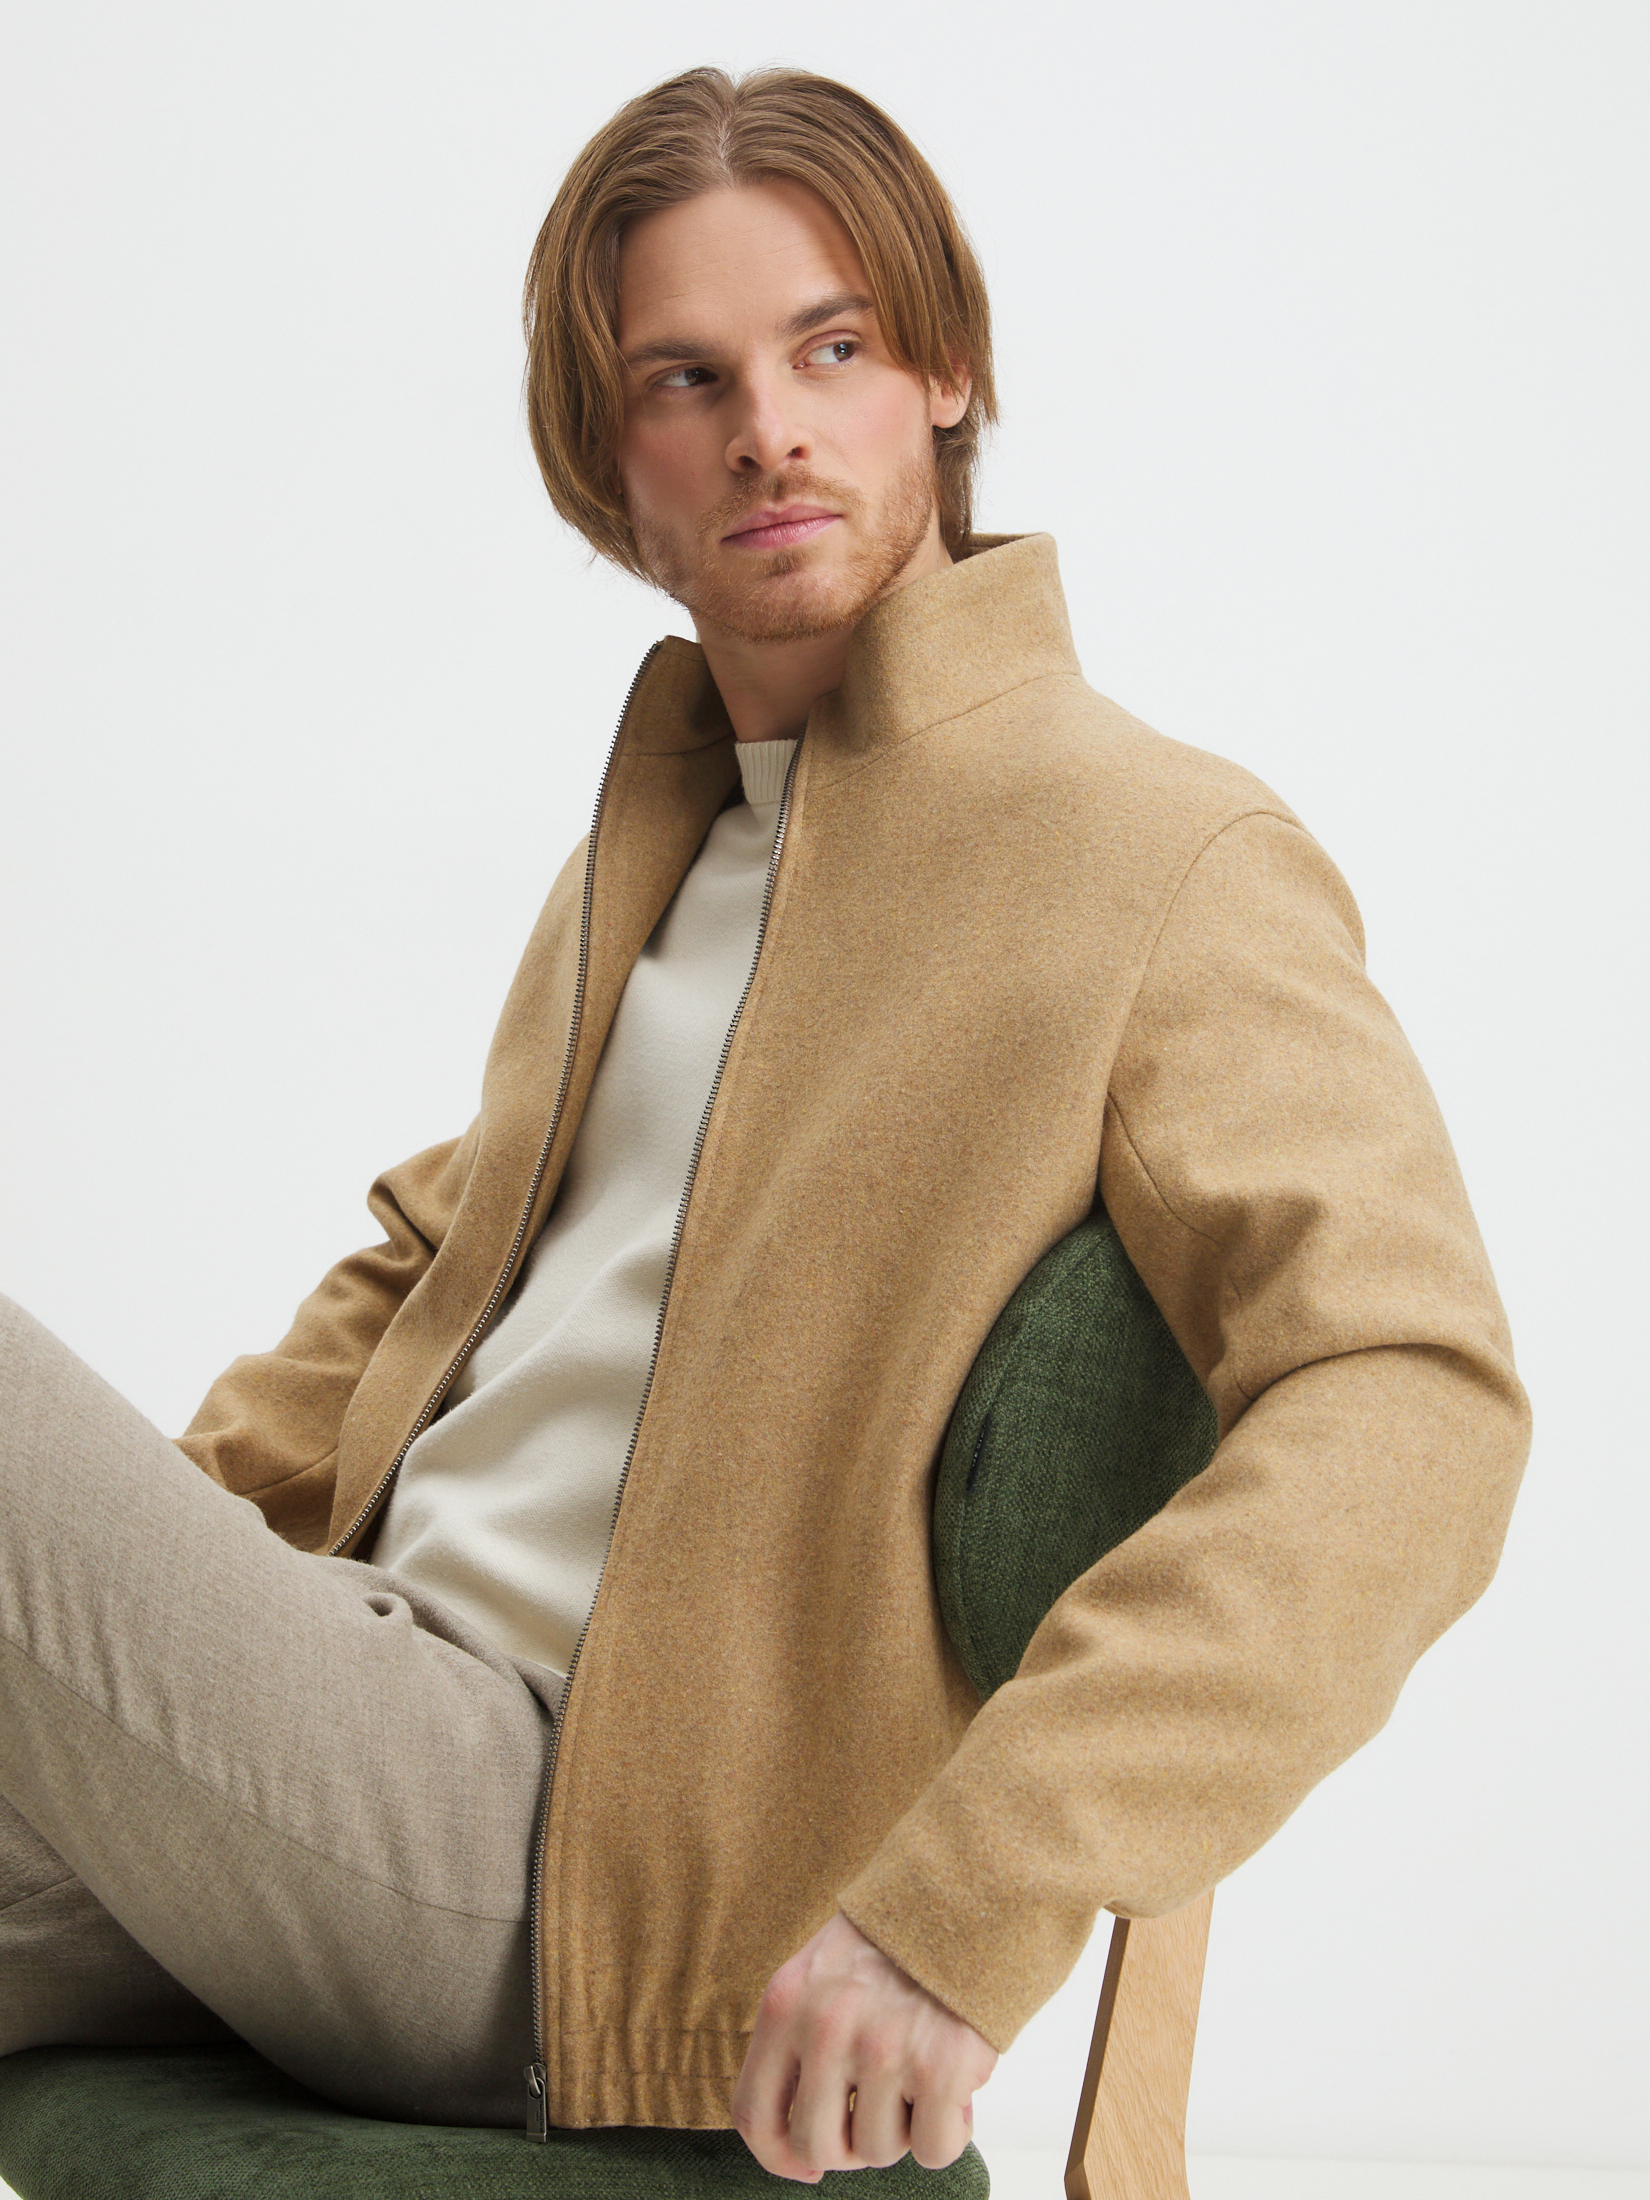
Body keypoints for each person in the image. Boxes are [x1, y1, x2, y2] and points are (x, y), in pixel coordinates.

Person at [0, 64, 1529, 2185]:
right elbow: (427, 1271)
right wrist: (105, 1632)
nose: (769, 432)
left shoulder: (1158, 858)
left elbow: (1416, 1397)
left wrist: (970, 1894)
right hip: (345, 1737)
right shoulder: (658, 849)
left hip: (562, 1859)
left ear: (942, 375)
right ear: (610, 467)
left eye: (832, 350)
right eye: (687, 380)